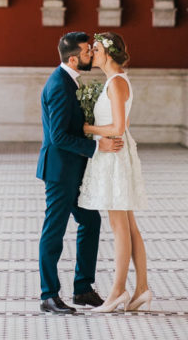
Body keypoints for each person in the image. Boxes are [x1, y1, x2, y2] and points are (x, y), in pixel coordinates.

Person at [37, 32, 124, 315]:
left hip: (73, 169)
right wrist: (98, 145)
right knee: (55, 230)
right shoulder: (60, 86)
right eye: (88, 51)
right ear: (73, 58)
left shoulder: (69, 81)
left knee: (90, 221)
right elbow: (59, 136)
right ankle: (49, 295)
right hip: (60, 171)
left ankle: (83, 289)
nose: (92, 54)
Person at [78, 32, 150, 313]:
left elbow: (119, 127)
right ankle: (142, 288)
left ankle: (118, 291)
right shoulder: (116, 81)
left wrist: (89, 129)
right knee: (129, 225)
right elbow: (125, 120)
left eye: (95, 49)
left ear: (107, 53)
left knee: (119, 225)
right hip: (117, 154)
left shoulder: (117, 82)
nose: (92, 53)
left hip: (114, 156)